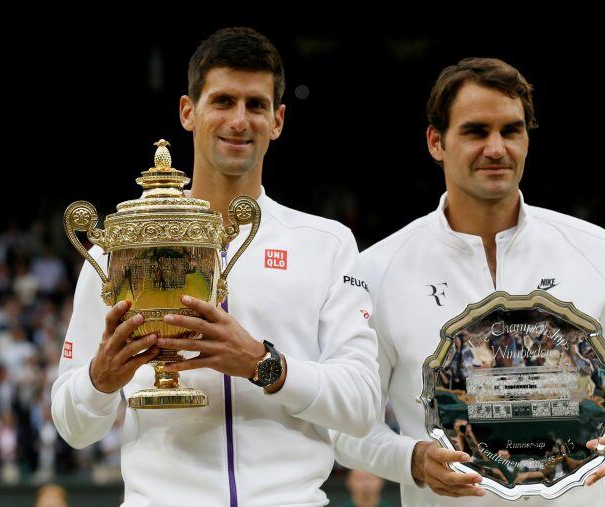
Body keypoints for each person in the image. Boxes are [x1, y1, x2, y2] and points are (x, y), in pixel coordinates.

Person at [51, 27, 380, 506]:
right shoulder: (120, 246)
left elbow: (362, 406)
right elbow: (72, 426)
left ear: (278, 120)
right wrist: (100, 379)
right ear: (189, 111)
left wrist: (263, 365)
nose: (239, 120)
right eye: (223, 101)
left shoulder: (327, 245)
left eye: (256, 105)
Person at [331, 57, 605, 506]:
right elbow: (346, 424)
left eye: (511, 130)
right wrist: (411, 460)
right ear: (435, 142)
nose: (497, 148)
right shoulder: (379, 268)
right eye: (476, 131)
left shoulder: (592, 249)